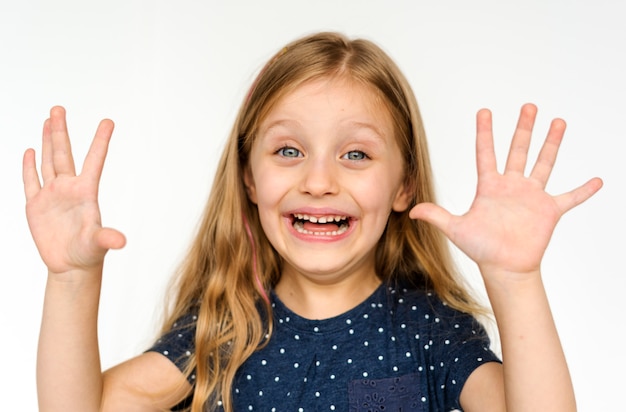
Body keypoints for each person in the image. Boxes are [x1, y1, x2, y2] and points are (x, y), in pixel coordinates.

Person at [23, 32, 602, 412]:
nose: (319, 181)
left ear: (404, 184)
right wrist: (72, 280)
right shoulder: (224, 328)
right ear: (249, 179)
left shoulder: (431, 331)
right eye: (289, 151)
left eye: (356, 155)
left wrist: (516, 280)